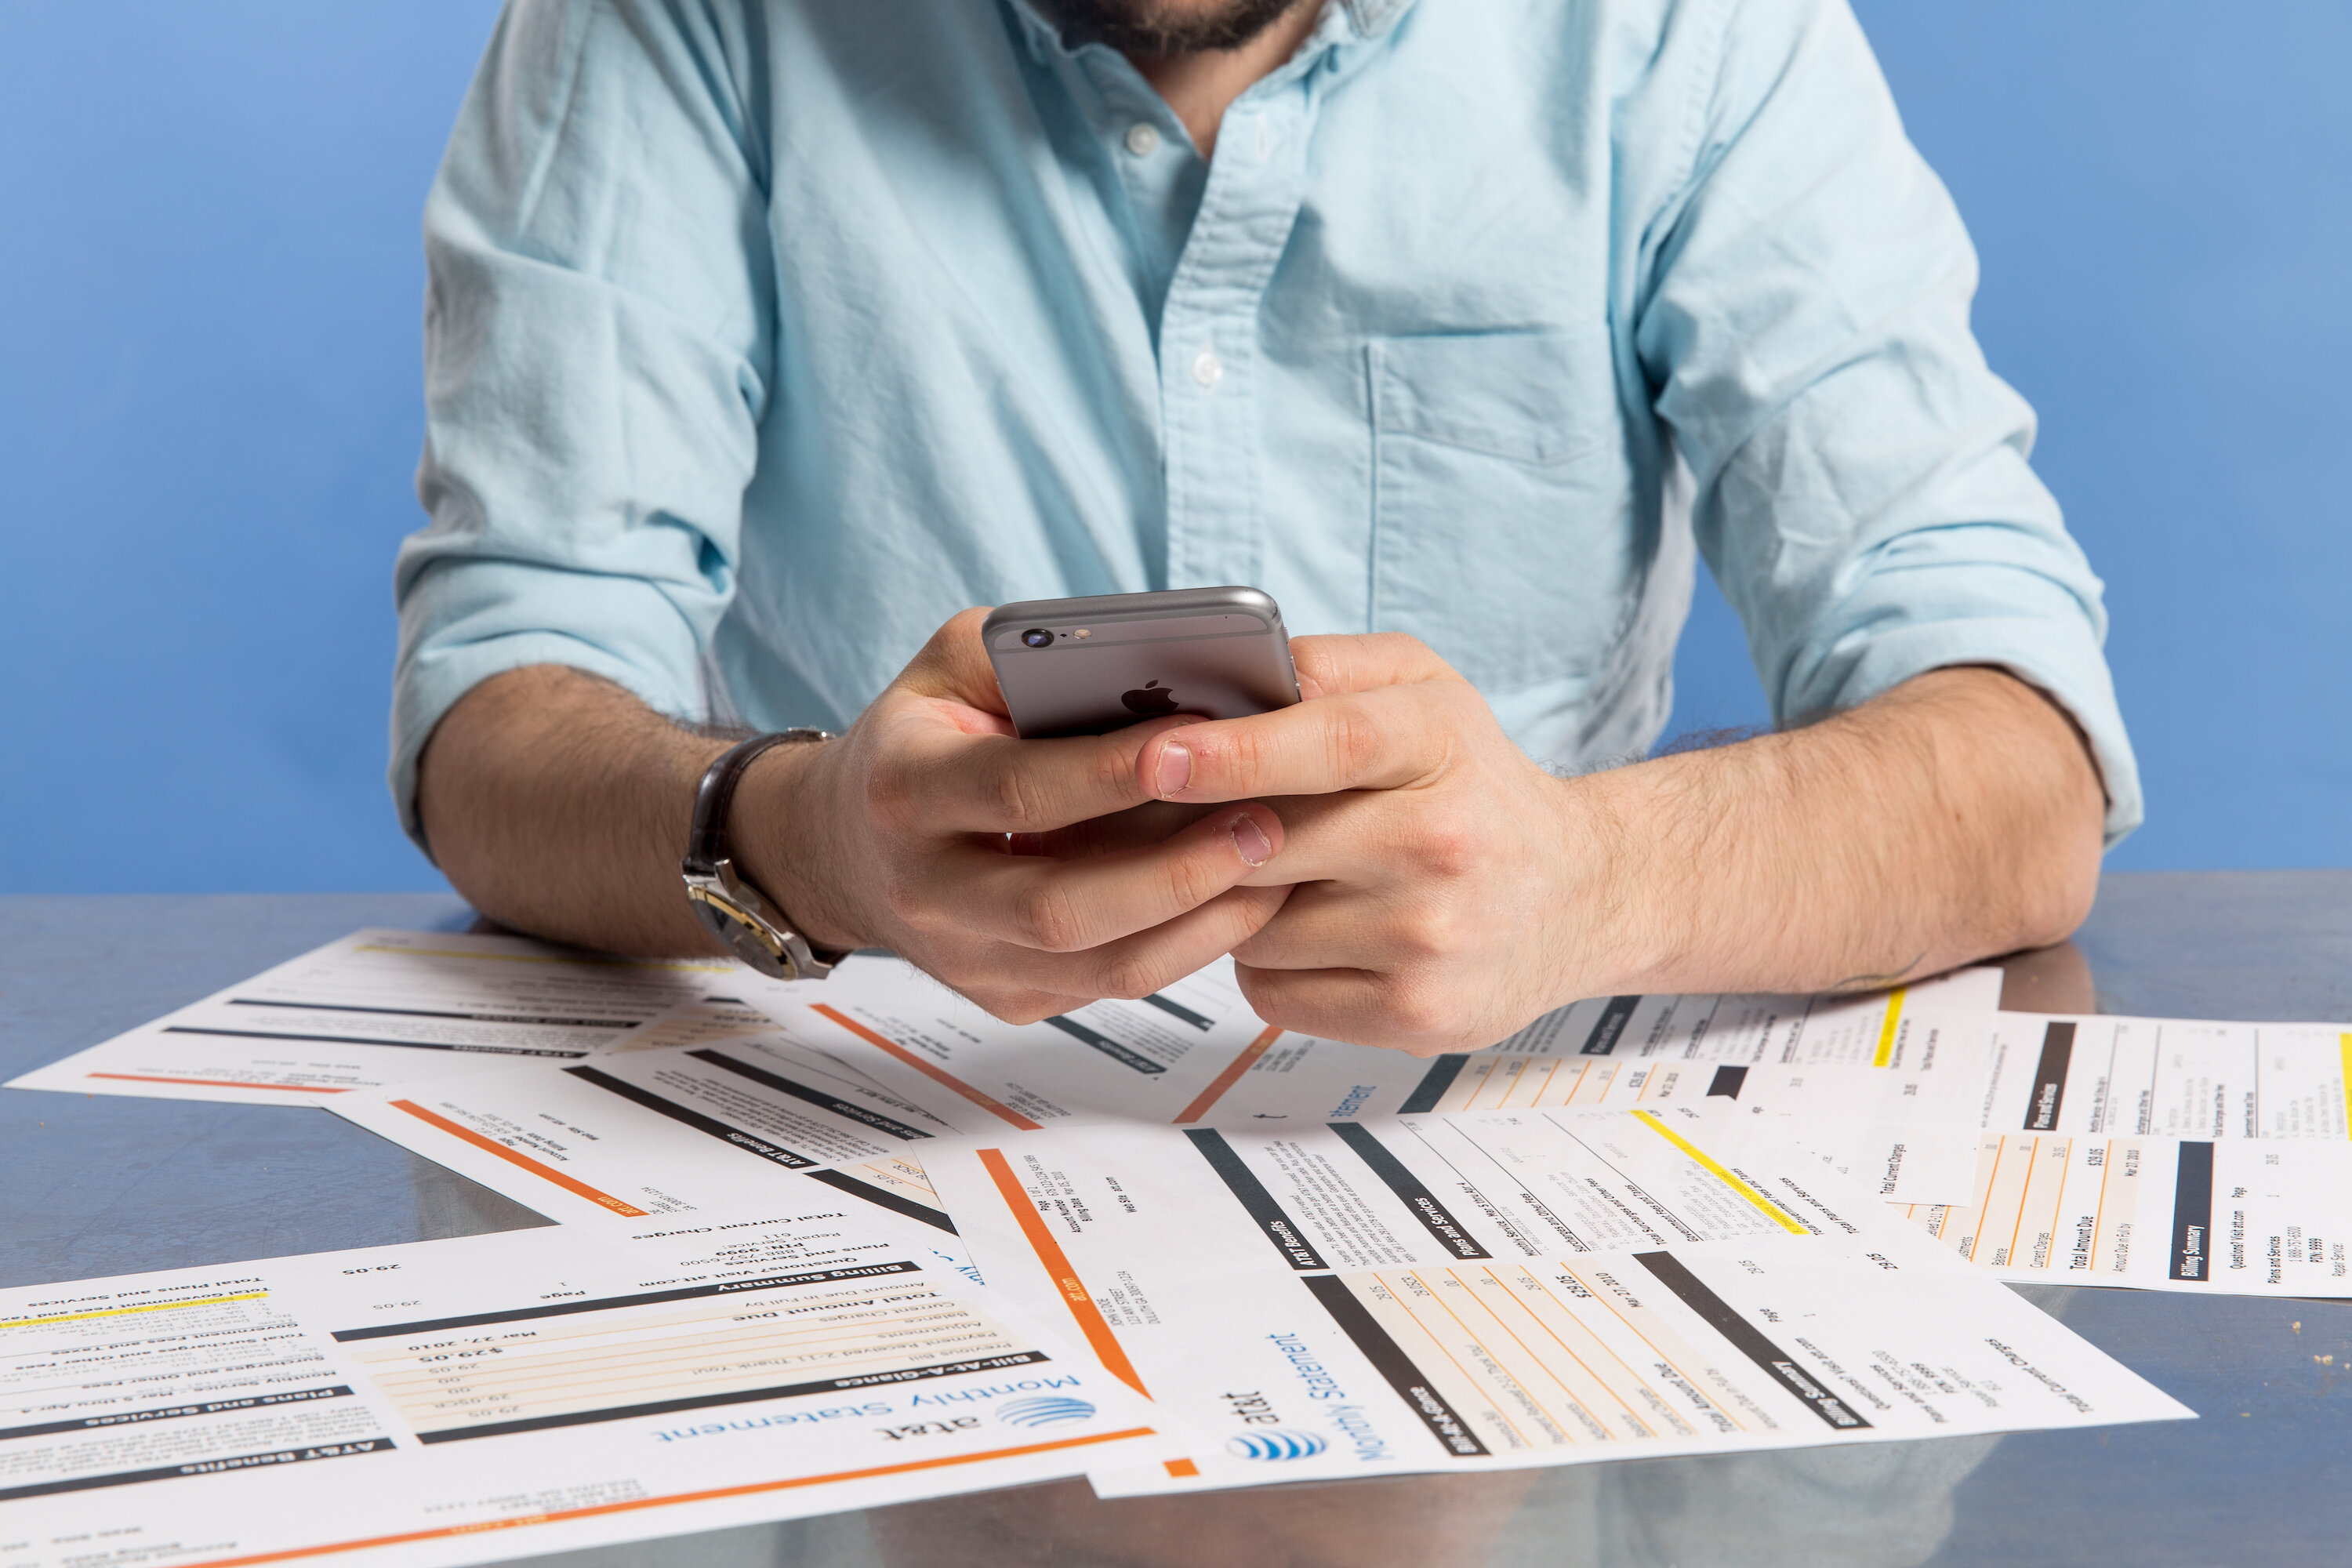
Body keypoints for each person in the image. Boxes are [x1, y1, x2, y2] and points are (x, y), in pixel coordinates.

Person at [395, 0, 2135, 1057]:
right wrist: (811, 843)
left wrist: (1595, 881)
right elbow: (498, 716)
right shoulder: (678, 18)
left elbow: (2018, 765)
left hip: (1521, 1165)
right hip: (877, 1132)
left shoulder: (1687, 35)